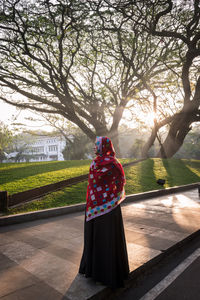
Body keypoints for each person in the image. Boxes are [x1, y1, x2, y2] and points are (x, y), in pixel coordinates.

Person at [79, 136, 129, 289]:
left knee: (102, 240)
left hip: (98, 209)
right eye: (95, 145)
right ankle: (104, 272)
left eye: (97, 145)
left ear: (103, 146)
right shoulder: (114, 164)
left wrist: (103, 198)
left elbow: (115, 182)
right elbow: (120, 183)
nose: (94, 147)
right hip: (108, 208)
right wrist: (112, 196)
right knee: (106, 240)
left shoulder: (98, 164)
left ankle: (100, 272)